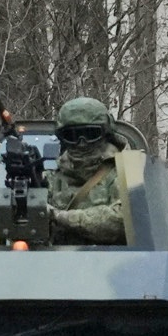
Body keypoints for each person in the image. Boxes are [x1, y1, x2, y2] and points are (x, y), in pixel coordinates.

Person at [48, 96, 127, 244]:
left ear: (105, 133)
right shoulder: (50, 180)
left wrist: (59, 217)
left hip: (116, 263)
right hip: (56, 264)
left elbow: (124, 220)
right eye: (73, 136)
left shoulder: (125, 173)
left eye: (91, 134)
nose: (82, 143)